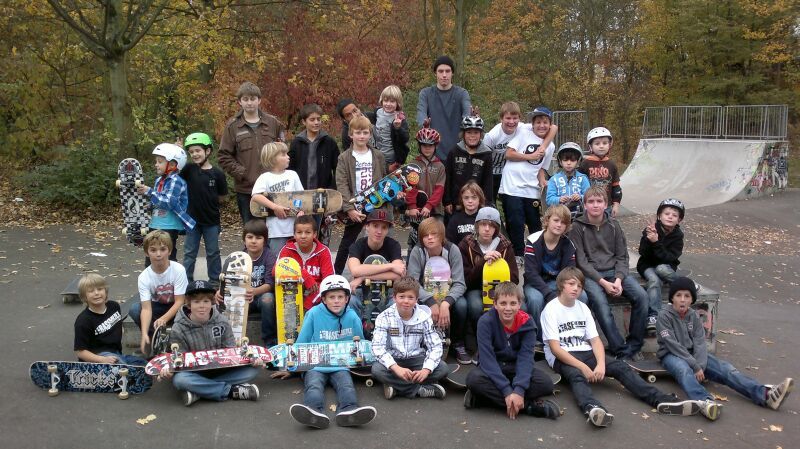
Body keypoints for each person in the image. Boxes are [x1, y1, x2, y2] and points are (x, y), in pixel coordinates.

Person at [541, 267, 699, 427]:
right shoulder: (551, 310)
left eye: (580, 286)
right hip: (562, 355)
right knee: (576, 375)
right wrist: (583, 367)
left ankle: (660, 399)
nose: (576, 288)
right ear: (561, 285)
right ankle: (592, 408)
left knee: (620, 367)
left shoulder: (583, 308)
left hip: (584, 351)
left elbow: (595, 341)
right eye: (571, 284)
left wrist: (601, 364)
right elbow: (555, 348)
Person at [656, 277, 794, 421]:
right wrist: (695, 366)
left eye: (687, 296)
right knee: (683, 370)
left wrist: (701, 366)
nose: (682, 300)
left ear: (692, 300)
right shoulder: (664, 316)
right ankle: (705, 402)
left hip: (693, 354)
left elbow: (699, 342)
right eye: (678, 295)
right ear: (672, 298)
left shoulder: (693, 316)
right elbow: (673, 345)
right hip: (670, 355)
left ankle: (765, 395)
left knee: (726, 369)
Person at [569, 185, 648, 361]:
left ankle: (634, 345)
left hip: (614, 272)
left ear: (606, 204)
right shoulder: (577, 227)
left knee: (641, 296)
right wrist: (603, 283)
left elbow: (622, 256)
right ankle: (619, 349)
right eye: (591, 201)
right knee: (600, 303)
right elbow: (581, 261)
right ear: (585, 204)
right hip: (590, 275)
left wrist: (619, 279)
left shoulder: (614, 225)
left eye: (599, 201)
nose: (595, 205)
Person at [288, 275, 378, 428]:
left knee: (346, 385)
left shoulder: (352, 317)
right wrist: (290, 369)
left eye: (340, 297)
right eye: (331, 297)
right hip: (316, 364)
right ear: (324, 299)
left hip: (341, 366)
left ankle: (349, 411)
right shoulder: (314, 314)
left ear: (347, 298)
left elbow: (360, 344)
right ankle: (313, 411)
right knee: (314, 385)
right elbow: (301, 343)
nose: (336, 301)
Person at [464, 282, 560, 420]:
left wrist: (519, 389)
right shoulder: (485, 322)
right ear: (495, 304)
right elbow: (487, 360)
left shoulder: (527, 323)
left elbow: (526, 358)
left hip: (516, 367)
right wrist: (507, 391)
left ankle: (483, 400)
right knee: (473, 380)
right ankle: (530, 407)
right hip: (494, 367)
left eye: (513, 303)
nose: (508, 308)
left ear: (519, 304)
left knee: (546, 384)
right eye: (503, 303)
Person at [157, 280, 261, 406]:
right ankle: (230, 391)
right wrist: (169, 371)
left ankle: (199, 391)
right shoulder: (178, 328)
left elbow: (231, 351)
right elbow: (179, 360)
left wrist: (251, 361)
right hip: (194, 372)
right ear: (189, 304)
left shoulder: (222, 321)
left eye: (206, 301)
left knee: (253, 370)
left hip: (221, 369)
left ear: (212, 303)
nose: (202, 306)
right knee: (180, 380)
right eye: (196, 302)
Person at [371, 276, 450, 399]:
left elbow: (435, 346)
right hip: (395, 359)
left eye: (410, 297)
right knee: (376, 369)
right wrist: (396, 368)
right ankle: (419, 390)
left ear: (417, 300)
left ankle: (396, 387)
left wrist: (426, 370)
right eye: (401, 297)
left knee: (443, 368)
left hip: (417, 359)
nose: (406, 301)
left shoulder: (423, 317)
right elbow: (377, 347)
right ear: (394, 297)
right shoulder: (384, 317)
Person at [218, 81, 285, 224]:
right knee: (252, 230)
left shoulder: (273, 123)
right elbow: (223, 156)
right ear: (239, 102)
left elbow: (283, 149)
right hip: (247, 189)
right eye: (246, 99)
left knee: (276, 228)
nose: (250, 103)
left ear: (259, 100)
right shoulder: (233, 126)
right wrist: (241, 173)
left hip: (274, 187)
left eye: (253, 99)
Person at [458, 207, 519, 362]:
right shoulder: (466, 244)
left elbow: (515, 279)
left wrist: (500, 266)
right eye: (483, 224)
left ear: (496, 228)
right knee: (476, 305)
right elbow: (466, 280)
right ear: (477, 225)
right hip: (475, 288)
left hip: (499, 291)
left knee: (515, 306)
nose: (486, 229)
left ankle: (502, 345)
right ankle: (478, 345)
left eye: (491, 225)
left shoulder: (505, 246)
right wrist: (482, 262)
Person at [499, 107, 557, 263]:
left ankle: (536, 252)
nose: (541, 126)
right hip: (512, 186)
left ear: (550, 124)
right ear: (532, 124)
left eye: (545, 122)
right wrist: (530, 156)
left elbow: (541, 168)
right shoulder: (524, 131)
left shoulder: (550, 146)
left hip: (531, 189)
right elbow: (509, 154)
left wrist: (543, 181)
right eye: (538, 122)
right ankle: (518, 254)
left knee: (534, 222)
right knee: (515, 221)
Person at [523, 205, 587, 343]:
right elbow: (530, 273)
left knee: (582, 296)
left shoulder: (568, 244)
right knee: (535, 300)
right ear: (547, 220)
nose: (559, 225)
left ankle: (574, 336)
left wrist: (563, 290)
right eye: (556, 220)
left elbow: (570, 272)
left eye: (563, 222)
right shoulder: (533, 240)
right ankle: (539, 339)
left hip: (558, 283)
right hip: (535, 283)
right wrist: (548, 293)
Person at [333, 115, 387, 274]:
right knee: (347, 242)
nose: (362, 136)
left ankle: (378, 273)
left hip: (376, 204)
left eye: (365, 132)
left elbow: (384, 180)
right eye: (358, 132)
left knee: (378, 240)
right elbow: (341, 183)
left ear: (370, 134)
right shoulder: (344, 158)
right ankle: (336, 275)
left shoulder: (378, 155)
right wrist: (349, 209)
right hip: (355, 207)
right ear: (351, 134)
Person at [407, 217, 467, 359]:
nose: (430, 238)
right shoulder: (418, 252)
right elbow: (413, 282)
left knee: (462, 305)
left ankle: (458, 343)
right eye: (426, 235)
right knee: (413, 305)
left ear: (442, 236)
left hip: (448, 294)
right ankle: (419, 343)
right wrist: (430, 302)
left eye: (434, 235)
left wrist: (446, 303)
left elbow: (460, 283)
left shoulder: (452, 250)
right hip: (424, 295)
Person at [216, 220, 277, 346]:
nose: (253, 241)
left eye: (258, 238)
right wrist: (221, 291)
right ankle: (228, 341)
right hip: (241, 297)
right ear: (244, 240)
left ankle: (269, 341)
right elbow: (228, 281)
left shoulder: (269, 257)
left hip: (260, 296)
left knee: (268, 299)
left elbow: (270, 284)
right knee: (220, 302)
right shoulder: (238, 257)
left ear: (264, 241)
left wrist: (254, 291)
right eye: (250, 237)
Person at [137, 143, 196, 266]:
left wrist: (149, 191)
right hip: (155, 224)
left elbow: (169, 202)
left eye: (160, 161)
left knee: (167, 258)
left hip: (169, 226)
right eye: (156, 161)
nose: (156, 164)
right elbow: (158, 201)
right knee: (150, 258)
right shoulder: (159, 180)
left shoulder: (176, 181)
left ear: (173, 165)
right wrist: (148, 206)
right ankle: (152, 283)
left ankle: (169, 282)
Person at [181, 132, 227, 285]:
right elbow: (174, 175)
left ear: (207, 151)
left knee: (213, 252)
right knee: (189, 253)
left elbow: (222, 196)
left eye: (198, 150)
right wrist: (178, 153)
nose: (194, 154)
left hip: (211, 221)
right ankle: (186, 282)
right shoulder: (188, 169)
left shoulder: (217, 174)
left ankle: (214, 282)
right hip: (191, 221)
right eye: (191, 151)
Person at [131, 230, 188, 355]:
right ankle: (152, 340)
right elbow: (146, 309)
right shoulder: (144, 277)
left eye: (163, 249)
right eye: (153, 250)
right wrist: (144, 334)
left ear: (170, 251)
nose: (158, 254)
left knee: (188, 310)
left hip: (177, 306)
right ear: (147, 253)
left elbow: (180, 301)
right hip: (156, 307)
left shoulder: (178, 270)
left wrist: (164, 319)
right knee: (135, 309)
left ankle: (174, 340)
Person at [73, 274, 146, 366]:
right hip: (97, 358)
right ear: (84, 296)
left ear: (105, 291)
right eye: (91, 291)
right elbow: (80, 352)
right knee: (126, 370)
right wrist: (102, 359)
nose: (96, 293)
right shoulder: (83, 321)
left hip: (116, 354)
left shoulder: (114, 306)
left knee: (144, 366)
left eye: (100, 289)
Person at [637, 198, 686, 332]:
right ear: (659, 216)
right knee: (654, 280)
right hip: (647, 265)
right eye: (666, 214)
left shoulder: (678, 236)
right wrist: (649, 240)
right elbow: (643, 253)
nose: (670, 217)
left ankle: (683, 284)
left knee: (661, 268)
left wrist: (657, 243)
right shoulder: (651, 230)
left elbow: (670, 257)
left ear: (679, 220)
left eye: (674, 215)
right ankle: (654, 316)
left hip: (666, 266)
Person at [346, 208, 405, 316]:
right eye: (375, 226)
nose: (379, 231)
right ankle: (356, 332)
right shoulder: (357, 245)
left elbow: (398, 274)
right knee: (350, 301)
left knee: (398, 303)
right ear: (367, 226)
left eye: (384, 227)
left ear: (388, 230)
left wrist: (363, 277)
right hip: (362, 291)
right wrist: (391, 266)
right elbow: (355, 270)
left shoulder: (393, 245)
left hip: (388, 292)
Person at [251, 141, 305, 254]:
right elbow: (256, 195)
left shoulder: (292, 175)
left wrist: (300, 210)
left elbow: (300, 196)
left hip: (295, 229)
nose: (288, 157)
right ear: (273, 158)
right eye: (284, 154)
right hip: (276, 231)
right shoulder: (265, 177)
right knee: (277, 260)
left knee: (296, 260)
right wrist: (275, 207)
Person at [416, 55, 472, 161]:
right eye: (440, 71)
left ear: (452, 73)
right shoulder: (426, 94)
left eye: (447, 71)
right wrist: (424, 124)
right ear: (435, 73)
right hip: (432, 153)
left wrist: (471, 121)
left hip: (458, 153)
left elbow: (467, 117)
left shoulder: (462, 94)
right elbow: (421, 114)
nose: (444, 75)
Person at [277, 215, 335, 311]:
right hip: (291, 292)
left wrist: (309, 303)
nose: (303, 236)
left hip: (316, 297)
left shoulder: (323, 251)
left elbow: (328, 281)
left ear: (315, 234)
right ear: (294, 234)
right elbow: (276, 270)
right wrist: (304, 275)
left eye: (307, 232)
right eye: (299, 232)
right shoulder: (287, 250)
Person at [404, 119, 446, 252]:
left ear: (435, 146)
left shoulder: (440, 166)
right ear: (419, 146)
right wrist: (411, 207)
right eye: (424, 145)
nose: (427, 148)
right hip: (417, 209)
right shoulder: (413, 164)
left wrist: (429, 205)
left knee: (437, 241)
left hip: (435, 210)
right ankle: (412, 267)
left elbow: (440, 189)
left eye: (430, 146)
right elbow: (410, 188)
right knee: (416, 241)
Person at [443, 112, 493, 218]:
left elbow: (488, 181)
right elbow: (448, 177)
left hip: (477, 204)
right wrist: (447, 201)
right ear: (463, 134)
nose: (472, 136)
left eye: (476, 132)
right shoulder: (454, 151)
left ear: (481, 134)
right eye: (469, 132)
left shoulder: (487, 154)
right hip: (455, 205)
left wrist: (486, 203)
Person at [288, 103, 339, 191]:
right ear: (304, 122)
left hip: (324, 191)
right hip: (301, 191)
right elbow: (290, 169)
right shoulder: (296, 143)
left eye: (318, 119)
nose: (316, 122)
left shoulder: (329, 142)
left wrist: (333, 187)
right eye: (312, 120)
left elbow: (338, 168)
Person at [483, 102, 526, 202]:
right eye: (508, 118)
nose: (511, 122)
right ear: (501, 119)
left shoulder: (523, 128)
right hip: (492, 171)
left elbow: (548, 128)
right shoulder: (492, 136)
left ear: (519, 118)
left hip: (511, 172)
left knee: (510, 202)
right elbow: (484, 158)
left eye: (515, 118)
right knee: (490, 201)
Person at [579, 126, 622, 217]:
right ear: (590, 146)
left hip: (607, 206)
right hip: (589, 204)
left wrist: (616, 205)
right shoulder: (585, 163)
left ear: (609, 145)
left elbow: (616, 188)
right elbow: (578, 185)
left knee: (606, 229)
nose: (601, 146)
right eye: (597, 144)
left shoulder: (611, 164)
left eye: (605, 143)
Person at [545, 142, 590, 219]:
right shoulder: (554, 179)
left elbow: (589, 196)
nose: (569, 163)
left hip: (580, 216)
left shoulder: (583, 178)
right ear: (560, 161)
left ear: (578, 161)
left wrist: (580, 197)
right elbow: (549, 199)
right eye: (565, 160)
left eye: (572, 160)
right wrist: (559, 199)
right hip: (560, 216)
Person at [373, 85, 410, 171]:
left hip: (392, 159)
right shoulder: (378, 112)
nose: (388, 104)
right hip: (377, 155)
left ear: (398, 103)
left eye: (392, 101)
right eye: (386, 100)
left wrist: (398, 128)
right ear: (382, 101)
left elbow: (405, 138)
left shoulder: (399, 117)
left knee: (390, 181)